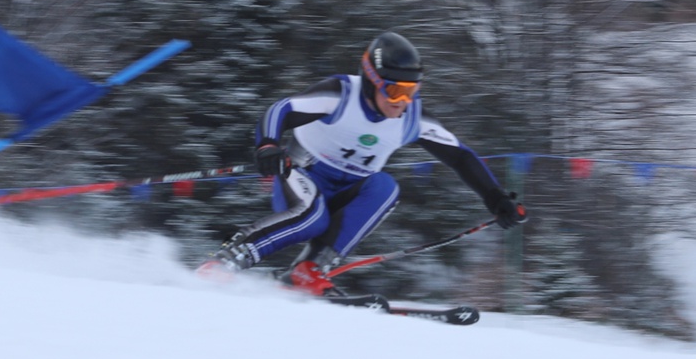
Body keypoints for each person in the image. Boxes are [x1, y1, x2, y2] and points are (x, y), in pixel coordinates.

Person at [199, 32, 525, 294]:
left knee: (385, 187)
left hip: (349, 188)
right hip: (302, 174)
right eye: (395, 91)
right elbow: (280, 110)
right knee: (313, 216)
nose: (403, 102)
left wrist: (495, 198)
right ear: (371, 81)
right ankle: (228, 260)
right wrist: (268, 144)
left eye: (412, 91)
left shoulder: (412, 117)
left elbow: (460, 155)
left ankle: (309, 269)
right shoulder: (341, 95)